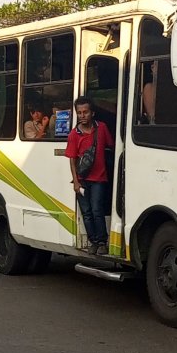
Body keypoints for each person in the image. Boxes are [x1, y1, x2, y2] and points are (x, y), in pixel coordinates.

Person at [65, 96, 114, 255]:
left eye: (85, 112)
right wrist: (76, 183)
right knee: (86, 213)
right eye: (79, 113)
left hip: (99, 178)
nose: (82, 115)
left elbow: (111, 147)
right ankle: (93, 241)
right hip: (82, 181)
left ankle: (102, 242)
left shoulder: (102, 128)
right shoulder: (74, 134)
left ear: (92, 113)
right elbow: (72, 160)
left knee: (97, 210)